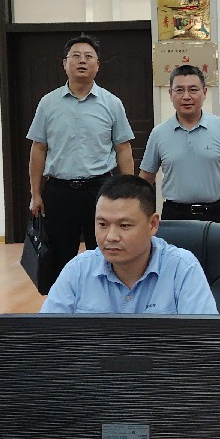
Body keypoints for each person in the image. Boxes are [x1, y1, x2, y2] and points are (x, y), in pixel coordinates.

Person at [26, 34, 135, 294]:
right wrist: (35, 193)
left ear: (98, 65)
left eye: (88, 57)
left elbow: (123, 148)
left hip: (100, 189)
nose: (82, 61)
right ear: (65, 64)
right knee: (60, 256)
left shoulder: (111, 103)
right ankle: (63, 307)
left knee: (106, 251)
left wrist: (128, 192)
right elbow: (38, 149)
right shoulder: (48, 103)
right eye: (76, 56)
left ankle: (105, 303)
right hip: (59, 191)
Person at [40, 175, 217, 315]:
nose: (111, 237)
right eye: (102, 224)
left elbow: (205, 340)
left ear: (152, 224)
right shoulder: (78, 270)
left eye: (124, 225)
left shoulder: (182, 269)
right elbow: (45, 338)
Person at [139, 64, 220, 232]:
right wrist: (141, 217)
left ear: (204, 92)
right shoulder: (159, 133)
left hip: (218, 214)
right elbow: (145, 178)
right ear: (170, 94)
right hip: (175, 215)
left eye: (193, 90)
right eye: (179, 90)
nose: (186, 96)